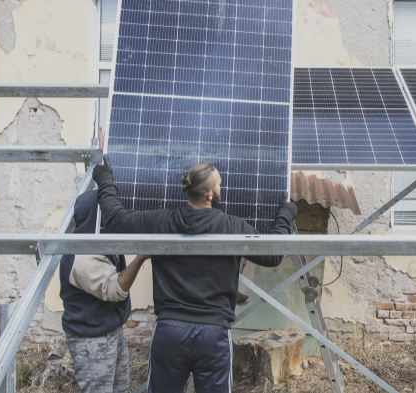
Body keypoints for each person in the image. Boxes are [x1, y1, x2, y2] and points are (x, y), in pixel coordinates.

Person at [91, 157, 298, 393]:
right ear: (209, 194)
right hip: (213, 336)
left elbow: (116, 221)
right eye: (219, 184)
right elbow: (272, 256)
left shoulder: (161, 223)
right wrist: (286, 214)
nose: (221, 187)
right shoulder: (232, 227)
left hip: (170, 333)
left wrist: (104, 178)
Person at [59, 189, 149, 393]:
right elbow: (116, 289)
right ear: (96, 215)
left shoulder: (101, 240)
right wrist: (141, 258)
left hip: (110, 330)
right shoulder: (81, 255)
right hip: (91, 340)